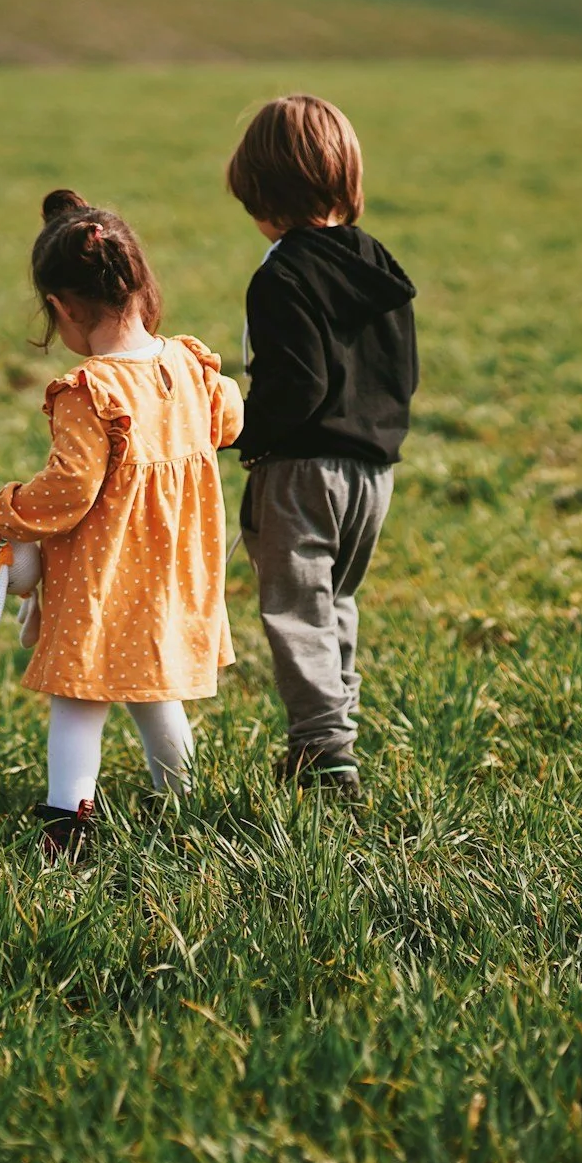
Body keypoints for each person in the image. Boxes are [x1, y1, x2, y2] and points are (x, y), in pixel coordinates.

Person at [0, 188, 244, 858]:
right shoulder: (194, 368)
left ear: (60, 307)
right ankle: (183, 806)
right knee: (154, 694)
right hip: (174, 577)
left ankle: (67, 826)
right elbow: (230, 421)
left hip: (104, 580)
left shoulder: (92, 392)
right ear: (143, 288)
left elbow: (67, 491)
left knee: (77, 703)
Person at [225, 96, 418, 800]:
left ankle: (324, 751)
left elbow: (297, 382)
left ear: (263, 194)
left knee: (296, 607)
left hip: (301, 471)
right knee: (335, 598)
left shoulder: (281, 275)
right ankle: (335, 732)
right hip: (374, 473)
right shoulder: (380, 267)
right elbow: (405, 373)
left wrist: (240, 428)